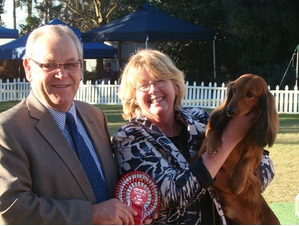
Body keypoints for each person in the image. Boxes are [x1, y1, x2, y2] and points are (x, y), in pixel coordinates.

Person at [0, 24, 148, 224]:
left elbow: (109, 185)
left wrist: (137, 209)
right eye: (50, 65)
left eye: (71, 64)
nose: (62, 74)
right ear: (28, 68)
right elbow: (12, 208)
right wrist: (92, 215)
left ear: (80, 67)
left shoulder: (95, 116)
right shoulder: (8, 129)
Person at [111, 49, 275, 224]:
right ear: (133, 95)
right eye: (143, 85)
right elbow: (174, 194)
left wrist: (241, 180)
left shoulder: (198, 118)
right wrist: (229, 141)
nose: (153, 90)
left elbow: (266, 165)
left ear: (175, 85)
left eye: (160, 80)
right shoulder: (129, 138)